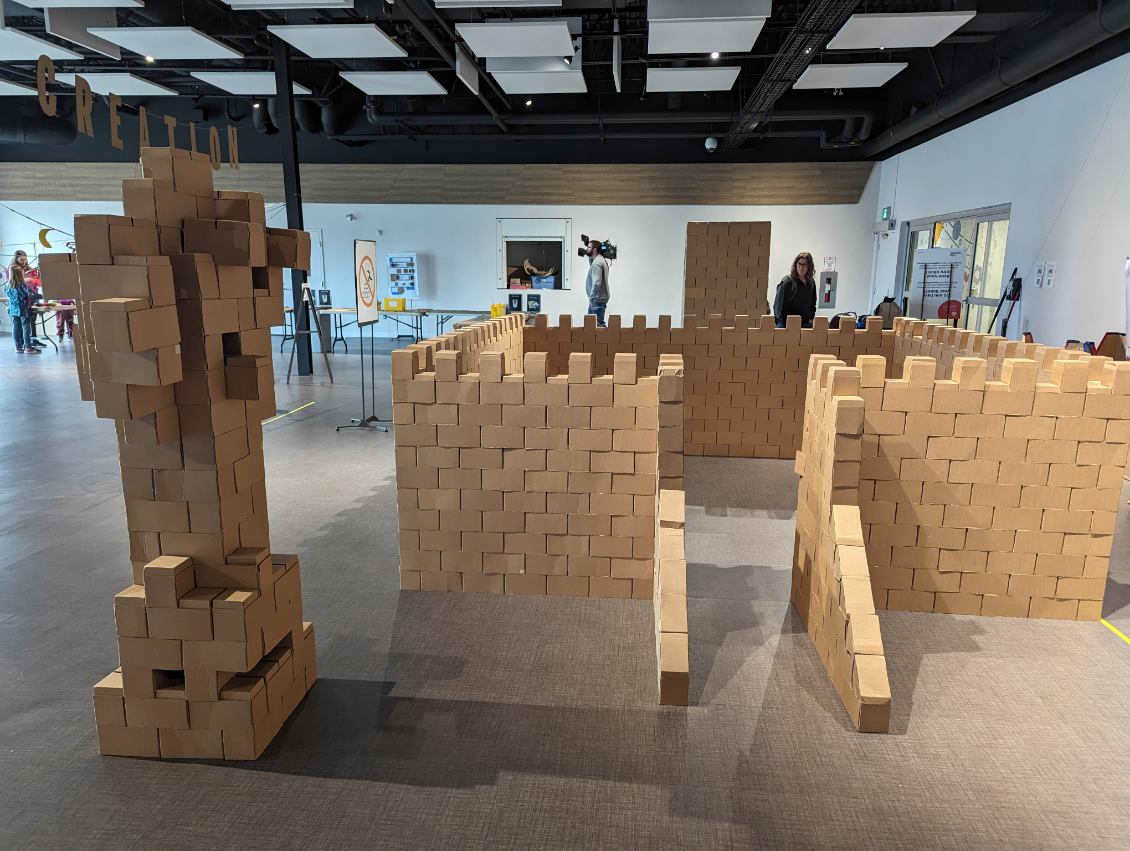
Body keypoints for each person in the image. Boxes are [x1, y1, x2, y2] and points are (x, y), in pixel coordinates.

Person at [4, 253, 40, 355]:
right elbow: (28, 295)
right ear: (19, 274)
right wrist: (39, 296)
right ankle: (28, 347)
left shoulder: (6, 286)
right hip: (24, 309)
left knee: (15, 327)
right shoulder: (22, 284)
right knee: (26, 327)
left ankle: (18, 347)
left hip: (13, 309)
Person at [772, 252, 817, 328]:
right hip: (787, 324)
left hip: (805, 324)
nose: (801, 267)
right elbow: (780, 306)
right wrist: (785, 325)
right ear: (795, 265)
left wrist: (811, 319)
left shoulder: (811, 283)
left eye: (804, 264)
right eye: (799, 264)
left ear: (809, 266)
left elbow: (813, 303)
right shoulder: (788, 282)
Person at [584, 239, 610, 328]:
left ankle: (607, 341)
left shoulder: (597, 263)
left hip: (596, 300)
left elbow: (597, 282)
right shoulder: (600, 260)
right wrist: (589, 257)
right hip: (598, 299)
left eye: (589, 247)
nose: (586, 249)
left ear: (594, 250)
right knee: (593, 327)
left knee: (597, 328)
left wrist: (591, 298)